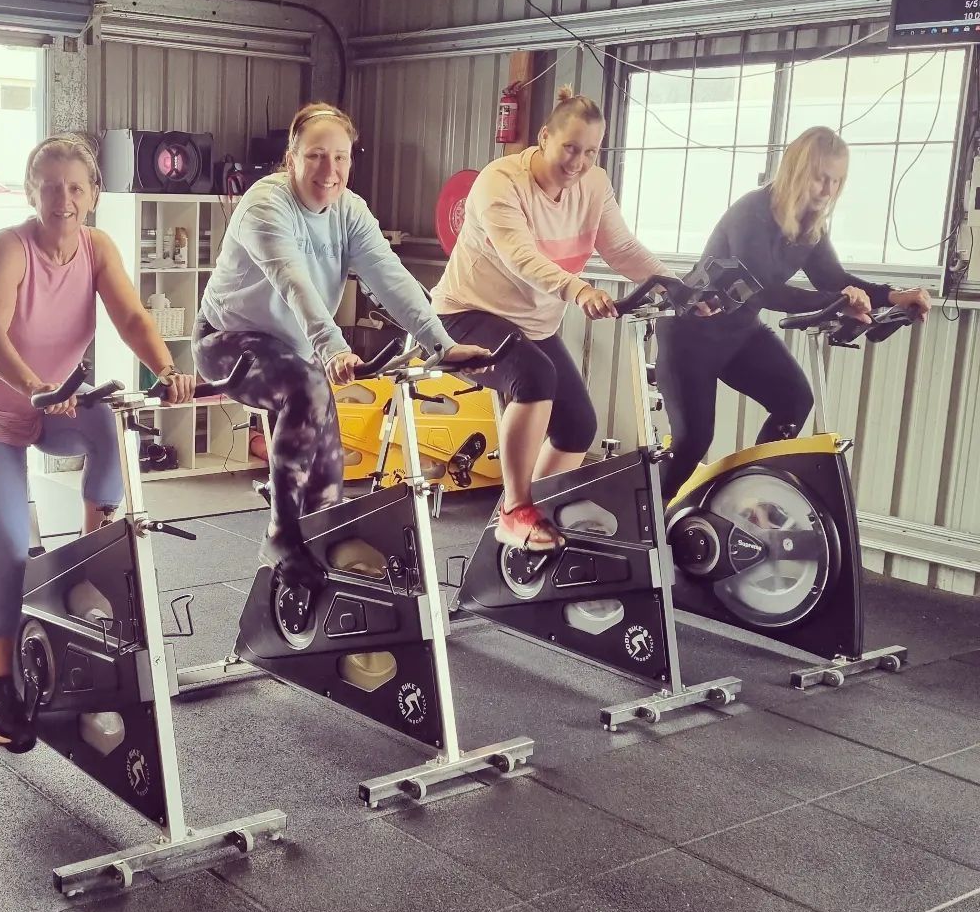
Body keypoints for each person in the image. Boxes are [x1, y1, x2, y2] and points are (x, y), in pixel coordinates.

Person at [0, 134, 195, 749]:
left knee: (108, 421)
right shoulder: (10, 246)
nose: (63, 199)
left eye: (75, 188)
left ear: (92, 195)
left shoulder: (97, 247)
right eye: (51, 187)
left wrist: (166, 368)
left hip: (55, 404)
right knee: (9, 547)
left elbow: (132, 316)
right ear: (32, 193)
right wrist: (35, 385)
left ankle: (93, 553)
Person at [193, 102, 493, 592]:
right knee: (308, 384)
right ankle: (281, 533)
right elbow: (293, 283)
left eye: (340, 157)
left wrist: (441, 344)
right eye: (315, 156)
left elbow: (390, 277)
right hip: (227, 343)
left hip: (297, 353)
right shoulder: (264, 206)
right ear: (291, 158)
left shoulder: (350, 209)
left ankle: (312, 553)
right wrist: (333, 347)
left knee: (327, 476)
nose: (329, 171)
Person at [431, 86, 674, 550]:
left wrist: (676, 284)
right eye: (569, 148)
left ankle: (528, 513)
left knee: (578, 426)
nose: (578, 162)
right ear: (544, 138)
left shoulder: (594, 185)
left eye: (590, 152)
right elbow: (521, 255)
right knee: (534, 376)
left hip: (534, 324)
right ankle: (515, 510)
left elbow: (621, 247)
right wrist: (577, 289)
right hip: (463, 315)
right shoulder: (498, 183)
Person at [655, 125, 931, 502]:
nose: (828, 190)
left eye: (836, 181)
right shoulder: (751, 212)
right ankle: (646, 531)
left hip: (739, 334)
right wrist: (838, 300)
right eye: (820, 178)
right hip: (691, 336)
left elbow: (831, 278)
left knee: (794, 400)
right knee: (693, 440)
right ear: (798, 171)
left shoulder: (810, 225)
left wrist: (894, 296)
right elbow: (763, 289)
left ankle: (750, 504)